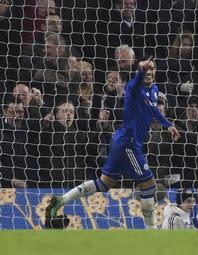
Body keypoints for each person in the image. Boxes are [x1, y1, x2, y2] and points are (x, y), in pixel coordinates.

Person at [45, 57, 180, 229]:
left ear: (156, 72)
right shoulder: (133, 87)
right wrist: (141, 70)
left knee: (104, 183)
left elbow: (152, 110)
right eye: (144, 69)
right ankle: (151, 231)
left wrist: (167, 124)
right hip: (128, 143)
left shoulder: (154, 90)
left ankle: (60, 200)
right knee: (150, 185)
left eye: (151, 69)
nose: (148, 71)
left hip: (123, 142)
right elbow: (137, 80)